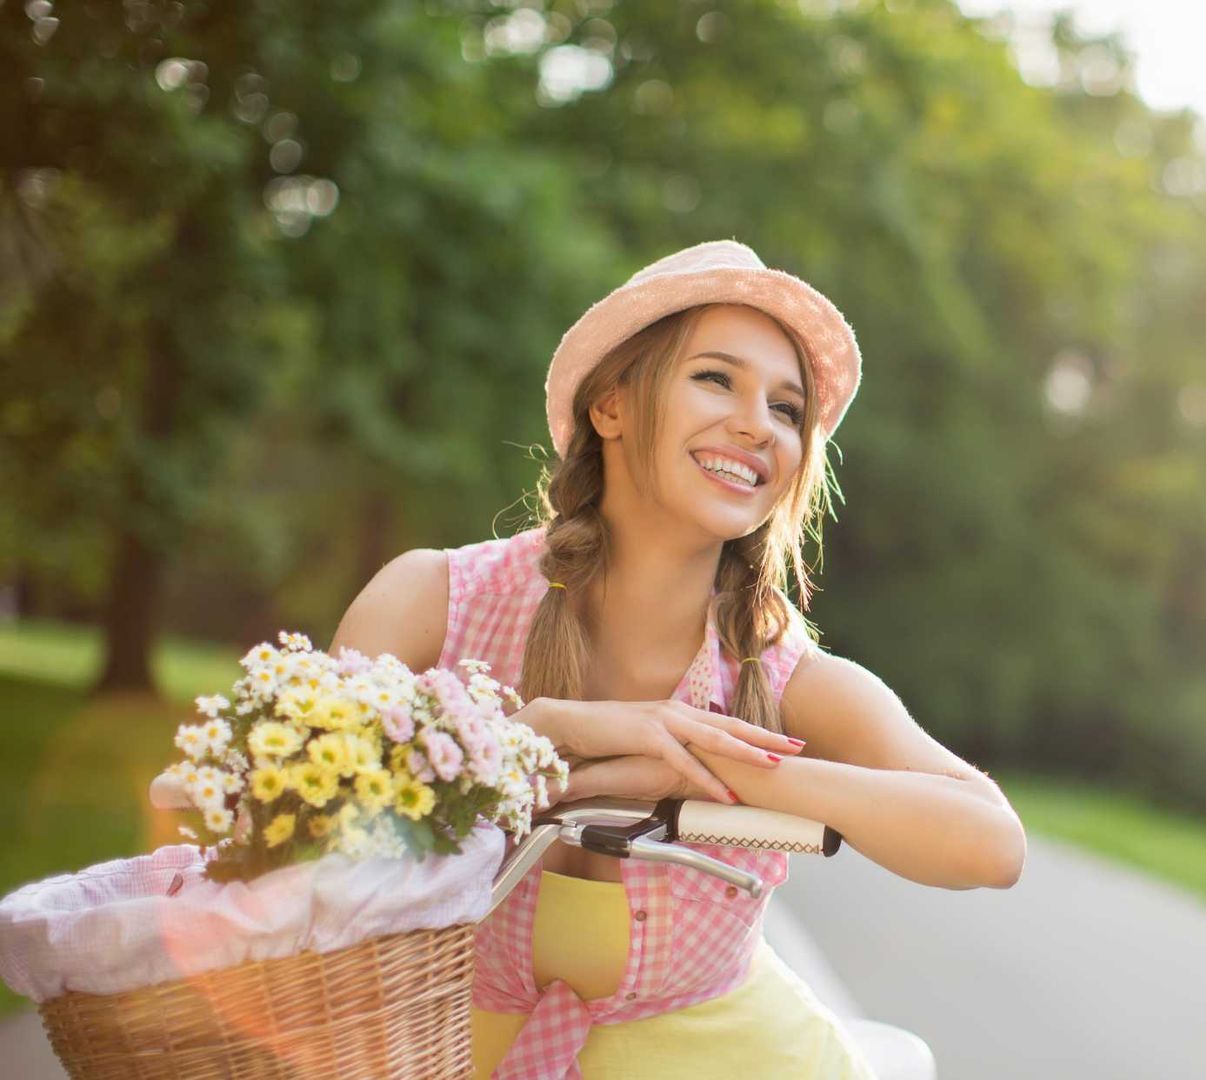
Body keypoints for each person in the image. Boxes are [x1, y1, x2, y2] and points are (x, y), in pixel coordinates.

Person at [327, 239, 1027, 1079]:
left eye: (787, 408)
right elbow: (281, 810)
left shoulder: (781, 675)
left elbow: (991, 843)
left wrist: (709, 768)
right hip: (438, 1050)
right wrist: (529, 737)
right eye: (715, 378)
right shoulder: (432, 602)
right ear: (612, 406)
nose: (756, 423)